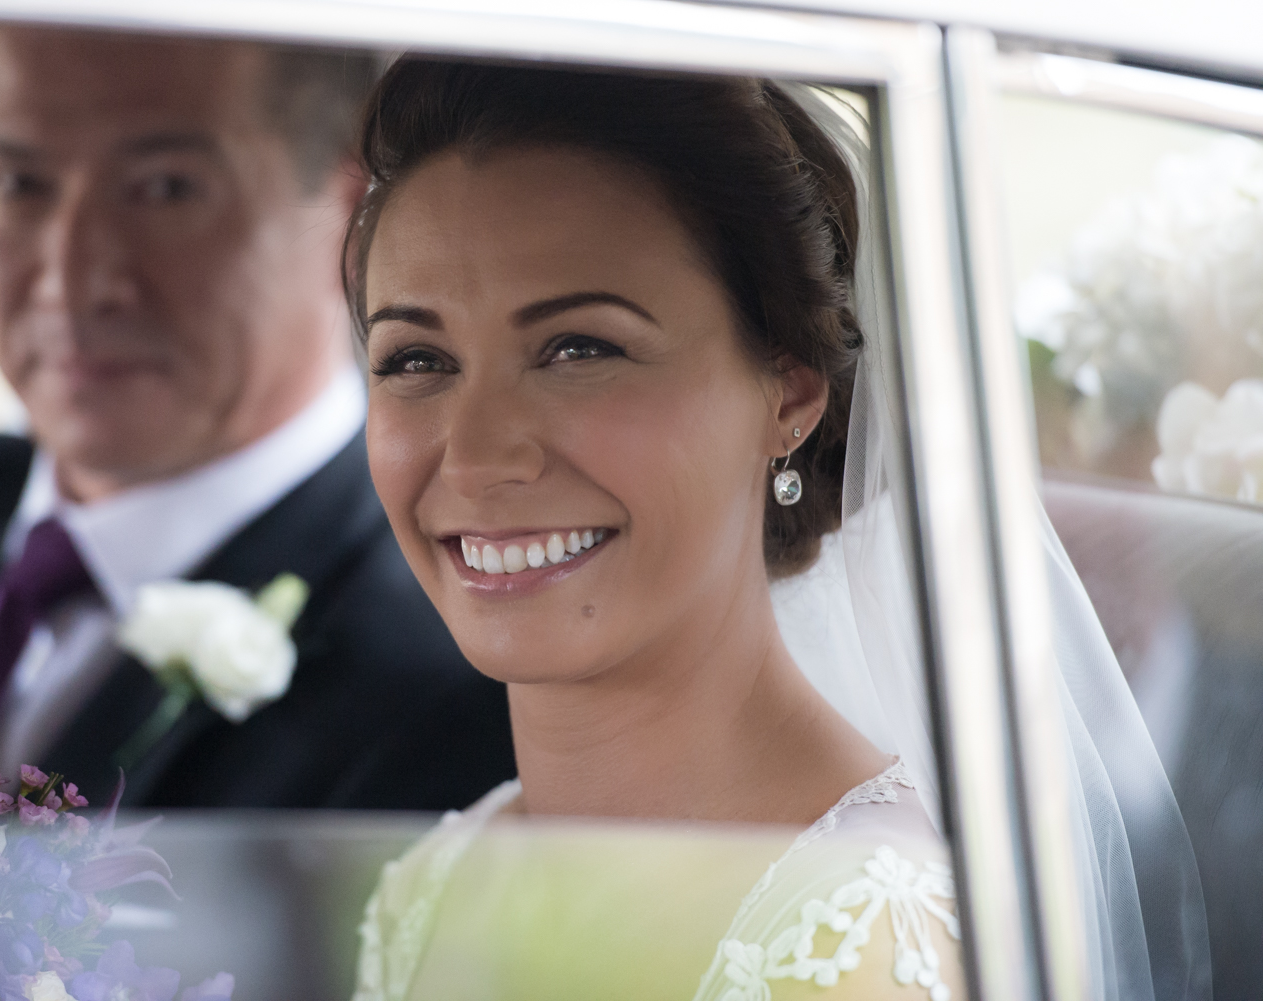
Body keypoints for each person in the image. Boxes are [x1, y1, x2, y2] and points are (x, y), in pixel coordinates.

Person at [342, 59, 1212, 1001]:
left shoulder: (858, 938)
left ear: (790, 389)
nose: (474, 458)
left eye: (578, 348)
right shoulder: (436, 882)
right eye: (416, 359)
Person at [0, 27, 515, 811]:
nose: (72, 278)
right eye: (20, 182)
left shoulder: (445, 670)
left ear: (349, 210)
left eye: (165, 188)